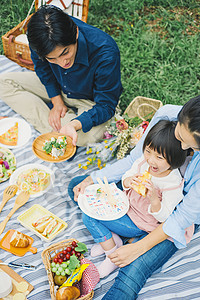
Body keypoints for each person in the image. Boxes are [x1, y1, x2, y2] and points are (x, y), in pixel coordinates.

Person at [68, 95, 200, 298]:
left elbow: (180, 217)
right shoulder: (167, 115)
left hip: (175, 217)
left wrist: (139, 249)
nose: (182, 147)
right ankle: (126, 236)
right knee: (78, 187)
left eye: (191, 146)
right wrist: (94, 179)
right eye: (179, 137)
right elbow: (135, 160)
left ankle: (134, 239)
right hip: (140, 200)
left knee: (132, 271)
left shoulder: (176, 183)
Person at [82, 119, 191, 278]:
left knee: (89, 216)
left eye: (159, 157)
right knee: (88, 203)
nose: (151, 160)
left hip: (139, 222)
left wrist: (154, 199)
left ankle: (111, 254)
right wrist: (128, 181)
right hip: (124, 206)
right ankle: (113, 241)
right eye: (148, 151)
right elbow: (127, 176)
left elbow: (165, 217)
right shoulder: (143, 163)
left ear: (174, 159)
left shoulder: (172, 183)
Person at [0, 5, 122, 147]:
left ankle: (62, 128)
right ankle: (62, 128)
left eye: (65, 53)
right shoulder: (39, 39)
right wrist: (56, 100)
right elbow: (42, 68)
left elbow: (106, 105)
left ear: (76, 33)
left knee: (89, 137)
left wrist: (75, 124)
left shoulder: (105, 52)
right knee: (3, 82)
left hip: (89, 100)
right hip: (59, 85)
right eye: (52, 59)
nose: (62, 62)